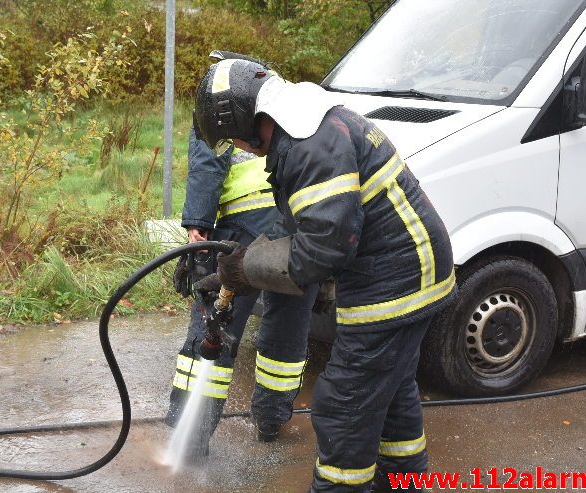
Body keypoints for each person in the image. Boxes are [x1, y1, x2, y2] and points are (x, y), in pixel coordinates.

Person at [192, 58, 456, 492]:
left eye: (234, 137)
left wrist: (247, 269)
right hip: (413, 270)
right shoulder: (306, 127)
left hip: (394, 281)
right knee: (390, 394)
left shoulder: (308, 144)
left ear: (246, 120)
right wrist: (240, 265)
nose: (239, 146)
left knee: (344, 404)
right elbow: (301, 224)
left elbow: (324, 247)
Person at [165, 51, 320, 461]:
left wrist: (197, 228)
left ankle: (190, 436)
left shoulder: (219, 105)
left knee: (216, 322)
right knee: (287, 331)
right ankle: (271, 420)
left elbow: (206, 163)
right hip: (297, 229)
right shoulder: (281, 98)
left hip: (242, 229)